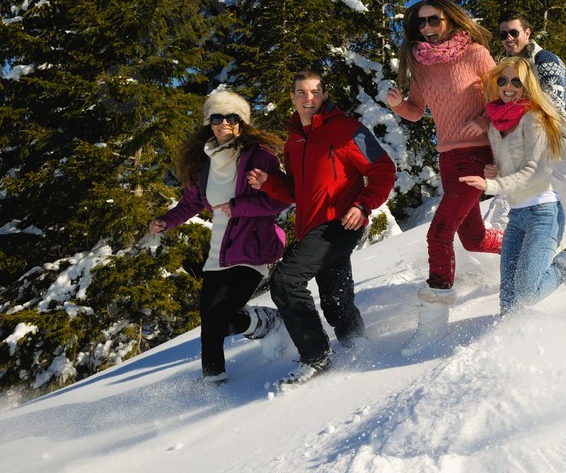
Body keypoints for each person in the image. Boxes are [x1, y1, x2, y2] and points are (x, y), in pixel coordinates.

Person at [248, 71, 396, 388]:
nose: (308, 98)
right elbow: (297, 191)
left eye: (315, 91)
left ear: (324, 95)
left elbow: (383, 168)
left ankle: (315, 357)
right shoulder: (294, 139)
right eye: (301, 92)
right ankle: (360, 348)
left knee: (287, 279)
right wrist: (269, 183)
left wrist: (363, 205)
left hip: (342, 221)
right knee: (336, 299)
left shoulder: (346, 130)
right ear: (292, 98)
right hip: (312, 227)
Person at [387, 0, 502, 356]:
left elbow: (504, 96)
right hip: (448, 159)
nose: (426, 29)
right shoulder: (421, 65)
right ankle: (529, 243)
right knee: (473, 239)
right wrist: (396, 105)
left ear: (449, 20)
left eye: (433, 20)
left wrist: (482, 120)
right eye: (420, 23)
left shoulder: (476, 54)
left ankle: (434, 323)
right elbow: (416, 111)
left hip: (476, 154)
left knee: (439, 233)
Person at [149, 90, 290, 384]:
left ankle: (268, 321)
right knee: (210, 324)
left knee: (222, 315)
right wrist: (166, 220)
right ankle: (214, 382)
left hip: (251, 248)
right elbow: (191, 203)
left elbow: (281, 199)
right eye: (217, 117)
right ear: (208, 123)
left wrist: (239, 207)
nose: (224, 122)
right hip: (219, 252)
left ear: (241, 122)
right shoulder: (204, 163)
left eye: (231, 117)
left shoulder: (259, 155)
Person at [460, 57, 566, 315]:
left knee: (528, 292)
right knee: (509, 302)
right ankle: (510, 347)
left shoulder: (534, 119)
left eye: (516, 81)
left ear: (527, 86)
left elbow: (535, 171)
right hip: (517, 215)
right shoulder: (496, 123)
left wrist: (491, 183)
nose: (508, 86)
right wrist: (496, 170)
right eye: (503, 80)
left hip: (543, 213)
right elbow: (513, 162)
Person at [495, 11, 566, 254]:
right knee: (529, 210)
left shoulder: (544, 60)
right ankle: (548, 258)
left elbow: (552, 102)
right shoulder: (511, 68)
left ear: (527, 32)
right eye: (503, 34)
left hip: (565, 148)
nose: (508, 38)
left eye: (514, 32)